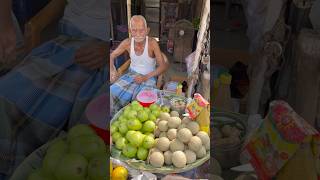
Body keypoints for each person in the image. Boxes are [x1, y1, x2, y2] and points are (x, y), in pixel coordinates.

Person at [0, 0, 109, 178]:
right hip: (69, 42)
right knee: (5, 97)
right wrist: (22, 25)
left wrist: (111, 48)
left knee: (87, 127)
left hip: (116, 52)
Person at [110, 15, 168, 114]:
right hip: (131, 75)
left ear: (147, 30)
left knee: (142, 103)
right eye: (134, 30)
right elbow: (111, 56)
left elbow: (163, 66)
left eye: (141, 30)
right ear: (130, 31)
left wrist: (145, 77)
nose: (138, 34)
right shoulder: (127, 43)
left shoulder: (152, 43)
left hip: (149, 77)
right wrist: (112, 70)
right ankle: (116, 117)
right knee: (111, 91)